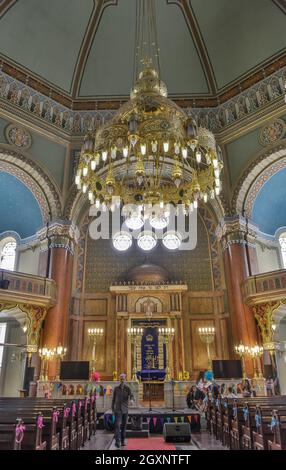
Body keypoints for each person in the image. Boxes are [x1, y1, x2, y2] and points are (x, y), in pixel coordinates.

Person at [111, 373, 134, 448]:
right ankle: (117, 441)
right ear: (119, 379)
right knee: (117, 425)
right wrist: (112, 409)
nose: (122, 380)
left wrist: (131, 400)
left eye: (123, 379)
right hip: (117, 410)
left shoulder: (128, 388)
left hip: (125, 410)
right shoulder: (116, 389)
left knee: (124, 426)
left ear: (125, 379)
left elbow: (132, 396)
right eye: (121, 379)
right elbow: (113, 399)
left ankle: (123, 441)